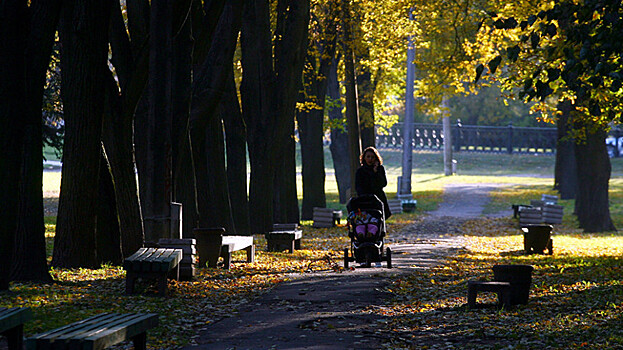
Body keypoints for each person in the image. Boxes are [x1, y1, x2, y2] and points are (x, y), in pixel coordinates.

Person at [355, 146, 392, 220]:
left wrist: (375, 172)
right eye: (368, 157)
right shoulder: (360, 171)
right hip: (365, 199)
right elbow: (358, 186)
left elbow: (383, 183)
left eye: (372, 157)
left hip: (378, 197)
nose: (370, 159)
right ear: (364, 158)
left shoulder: (380, 169)